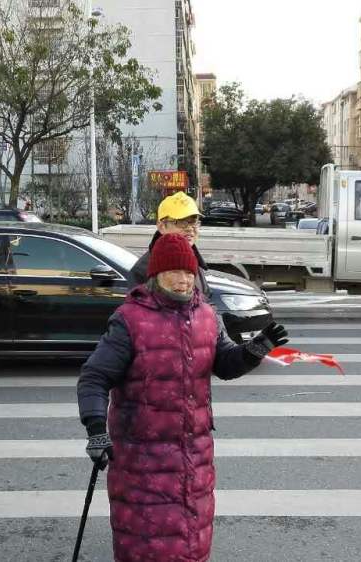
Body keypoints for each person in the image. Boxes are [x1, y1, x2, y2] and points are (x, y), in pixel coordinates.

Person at [77, 233, 289, 562]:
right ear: (155, 275)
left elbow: (225, 364)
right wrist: (95, 430)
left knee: (192, 541)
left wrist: (255, 349)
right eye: (174, 272)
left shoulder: (207, 316)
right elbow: (95, 377)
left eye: (188, 273)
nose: (182, 280)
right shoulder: (129, 320)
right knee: (149, 546)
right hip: (142, 462)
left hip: (195, 459)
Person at [130, 191, 211, 296]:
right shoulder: (144, 269)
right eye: (182, 222)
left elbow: (206, 299)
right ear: (161, 226)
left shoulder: (195, 261)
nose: (190, 228)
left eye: (194, 222)